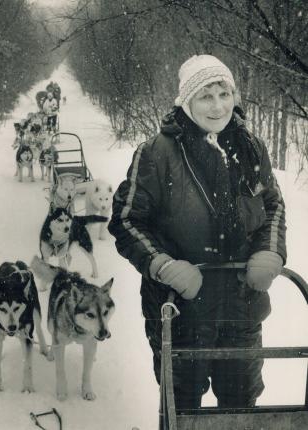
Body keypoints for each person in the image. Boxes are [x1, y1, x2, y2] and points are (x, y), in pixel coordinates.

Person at [108, 55, 286, 410]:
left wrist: (270, 251)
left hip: (242, 305)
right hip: (181, 310)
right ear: (185, 102)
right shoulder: (156, 153)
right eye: (206, 96)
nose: (218, 105)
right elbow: (126, 221)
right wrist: (163, 264)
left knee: (240, 405)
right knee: (181, 406)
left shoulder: (251, 147)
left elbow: (273, 207)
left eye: (224, 93)